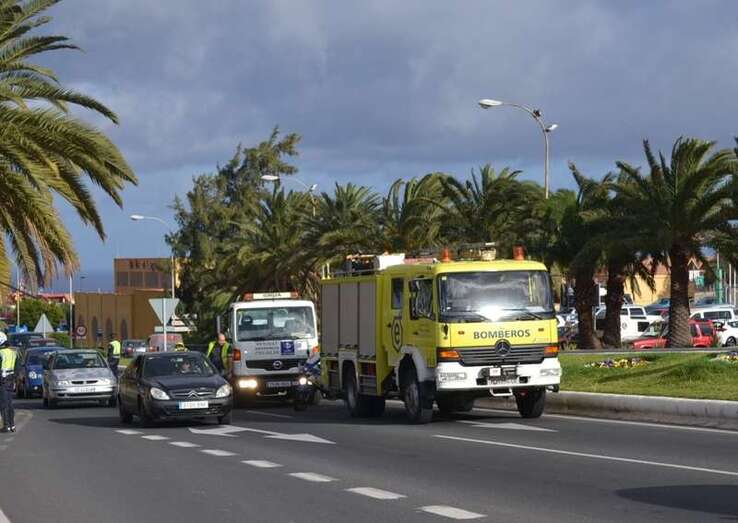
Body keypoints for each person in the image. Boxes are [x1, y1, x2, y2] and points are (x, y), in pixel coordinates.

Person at [0, 333, 17, 433]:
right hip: (10, 380)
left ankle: (6, 426)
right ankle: (12, 425)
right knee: (10, 403)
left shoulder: (1, 353)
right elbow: (17, 368)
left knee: (3, 404)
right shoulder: (12, 352)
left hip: (2, 381)